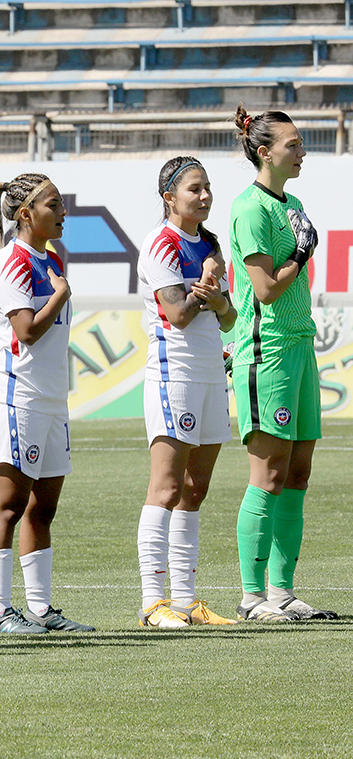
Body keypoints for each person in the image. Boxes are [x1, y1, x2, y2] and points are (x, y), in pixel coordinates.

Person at [0, 173, 93, 635]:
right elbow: (27, 330)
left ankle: (40, 608)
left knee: (44, 507)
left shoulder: (49, 258)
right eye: (53, 205)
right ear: (25, 214)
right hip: (19, 397)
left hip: (52, 398)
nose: (63, 212)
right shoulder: (12, 261)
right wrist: (60, 295)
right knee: (9, 504)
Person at [229, 106, 336, 622]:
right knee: (269, 473)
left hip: (300, 346)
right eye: (293, 144)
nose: (302, 152)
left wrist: (300, 252)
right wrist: (300, 254)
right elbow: (267, 289)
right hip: (265, 352)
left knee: (298, 472)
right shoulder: (249, 208)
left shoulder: (292, 203)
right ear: (264, 152)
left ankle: (282, 592)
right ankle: (252, 597)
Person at [135, 157, 238, 628]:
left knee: (196, 489)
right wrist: (207, 288)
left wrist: (216, 295)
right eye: (195, 189)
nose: (205, 195)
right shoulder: (161, 243)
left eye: (208, 187)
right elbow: (176, 315)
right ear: (169, 197)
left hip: (211, 374)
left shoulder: (210, 244)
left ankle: (186, 601)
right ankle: (152, 602)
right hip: (173, 374)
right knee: (167, 487)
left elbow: (229, 317)